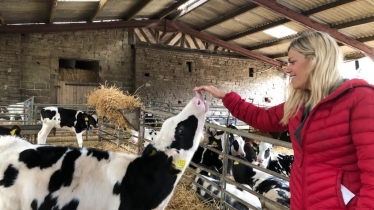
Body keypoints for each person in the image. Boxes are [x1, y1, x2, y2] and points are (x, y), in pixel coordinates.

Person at [194, 31, 374, 209]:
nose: (286, 68)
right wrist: (226, 97)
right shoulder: (300, 104)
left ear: (315, 61)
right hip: (302, 201)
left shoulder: (360, 99)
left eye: (292, 62)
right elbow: (262, 118)